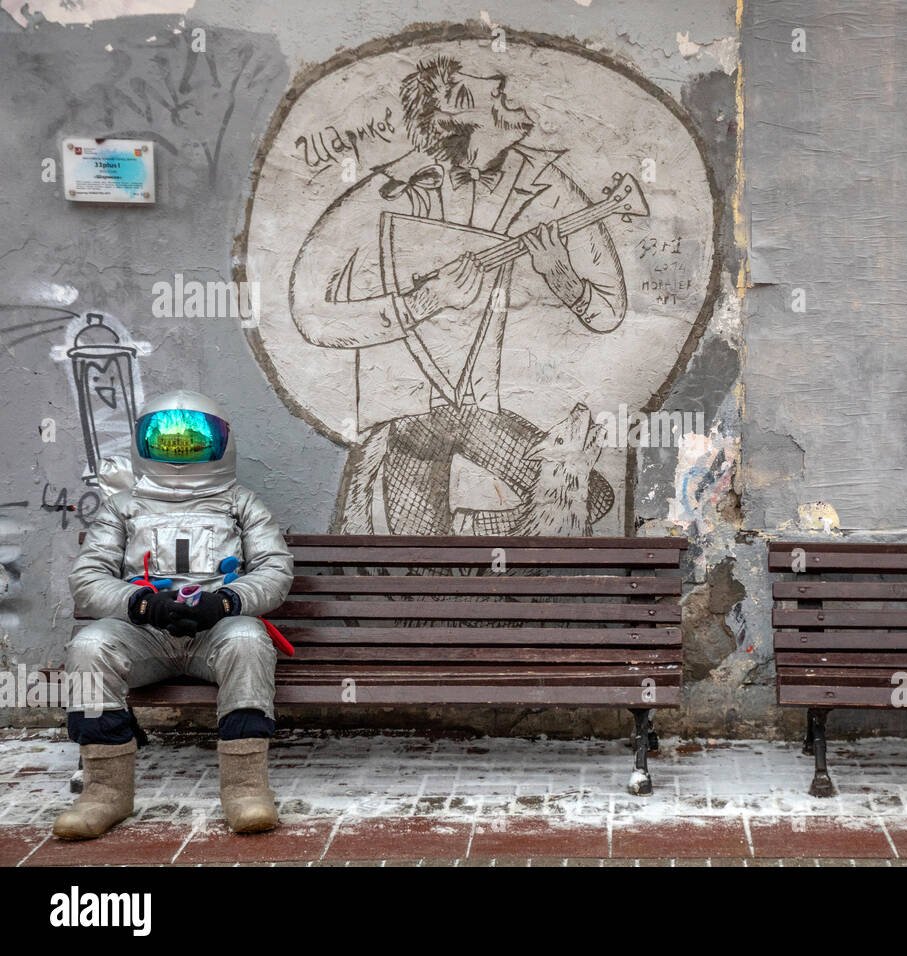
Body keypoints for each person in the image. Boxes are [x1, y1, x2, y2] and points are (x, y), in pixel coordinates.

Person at [290, 56, 627, 536]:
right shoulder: (388, 190)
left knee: (583, 493)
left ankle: (473, 531)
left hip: (478, 409)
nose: (508, 93)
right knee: (414, 565)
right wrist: (424, 301)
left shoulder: (549, 186)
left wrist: (563, 278)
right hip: (406, 416)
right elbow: (310, 314)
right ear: (453, 114)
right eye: (494, 93)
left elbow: (609, 309)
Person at [57, 390, 293, 840]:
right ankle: (104, 791)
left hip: (215, 634)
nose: (179, 450)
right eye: (167, 440)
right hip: (143, 634)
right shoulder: (123, 508)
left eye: (193, 440)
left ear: (222, 443)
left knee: (247, 638)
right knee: (89, 645)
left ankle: (245, 789)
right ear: (144, 443)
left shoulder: (240, 504)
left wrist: (226, 603)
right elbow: (87, 578)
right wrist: (141, 605)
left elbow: (275, 570)